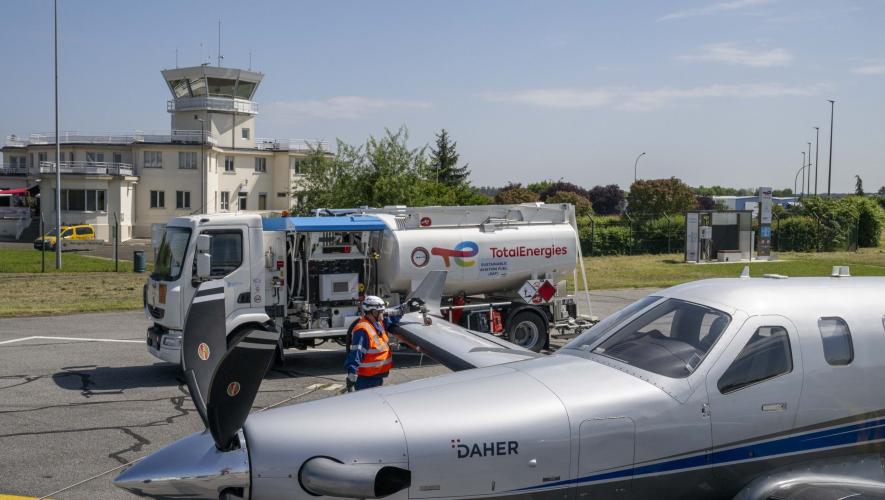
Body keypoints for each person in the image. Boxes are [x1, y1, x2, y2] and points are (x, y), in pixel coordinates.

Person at [344, 295, 430, 392]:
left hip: (376, 376)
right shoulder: (362, 330)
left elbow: (393, 316)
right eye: (381, 311)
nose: (383, 314)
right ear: (374, 312)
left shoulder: (378, 322)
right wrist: (352, 376)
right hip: (366, 380)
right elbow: (356, 354)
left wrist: (407, 306)